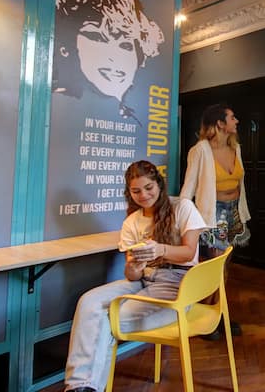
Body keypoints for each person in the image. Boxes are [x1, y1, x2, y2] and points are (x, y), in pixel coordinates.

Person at [64, 161, 207, 392]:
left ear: (159, 184)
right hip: (144, 279)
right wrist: (136, 265)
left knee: (107, 320)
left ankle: (83, 386)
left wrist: (160, 250)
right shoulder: (131, 222)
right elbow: (131, 275)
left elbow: (189, 253)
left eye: (149, 188)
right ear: (129, 192)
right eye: (136, 191)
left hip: (179, 283)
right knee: (88, 302)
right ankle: (81, 387)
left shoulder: (182, 207)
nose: (144, 195)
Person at [54, 0, 165, 123]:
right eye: (97, 38)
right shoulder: (58, 111)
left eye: (125, 45)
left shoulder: (140, 119)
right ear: (66, 46)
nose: (114, 57)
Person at [180, 104, 250, 338]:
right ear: (220, 123)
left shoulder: (236, 148)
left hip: (234, 211)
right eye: (232, 117)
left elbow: (240, 184)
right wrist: (184, 220)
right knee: (215, 266)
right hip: (213, 214)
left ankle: (216, 315)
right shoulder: (200, 150)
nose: (236, 121)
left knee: (226, 265)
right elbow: (188, 187)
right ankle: (209, 317)